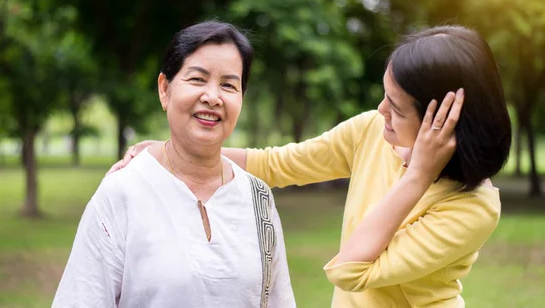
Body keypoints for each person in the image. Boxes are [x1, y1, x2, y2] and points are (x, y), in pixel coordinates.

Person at [112, 25, 512, 307]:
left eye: (396, 106)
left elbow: (351, 269)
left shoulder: (472, 207)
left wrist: (418, 175)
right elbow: (279, 164)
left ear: (437, 122)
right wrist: (171, 151)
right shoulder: (372, 131)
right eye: (384, 94)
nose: (380, 110)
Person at [53, 21, 296, 307]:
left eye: (229, 85)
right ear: (164, 90)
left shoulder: (258, 198)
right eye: (197, 79)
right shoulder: (122, 193)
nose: (212, 97)